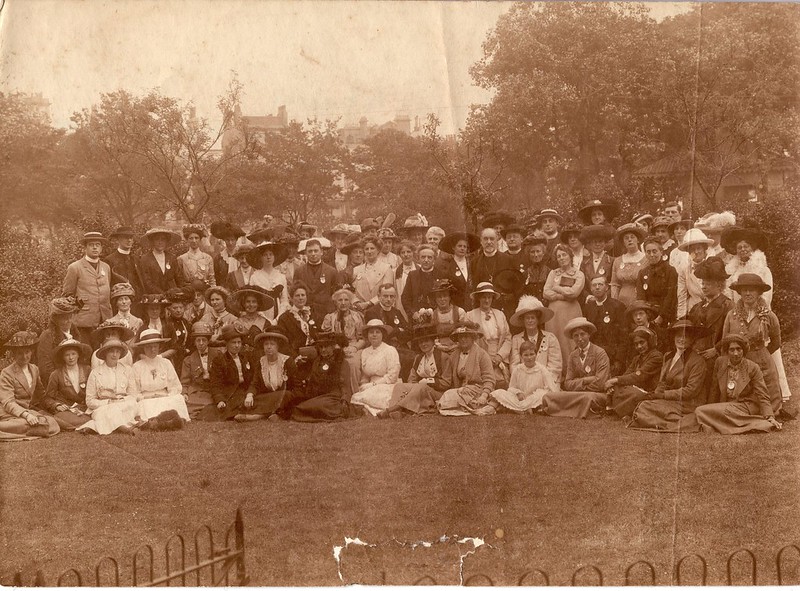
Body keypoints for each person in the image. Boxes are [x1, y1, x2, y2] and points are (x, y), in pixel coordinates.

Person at [721, 223, 791, 403]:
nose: (743, 250)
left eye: (746, 246)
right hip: (739, 312)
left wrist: (760, 315)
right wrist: (737, 313)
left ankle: (777, 392)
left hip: (760, 314)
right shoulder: (733, 270)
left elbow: (766, 295)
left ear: (752, 248)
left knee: (767, 355)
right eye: (739, 247)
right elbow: (730, 294)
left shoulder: (763, 269)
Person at [626, 319, 709, 432]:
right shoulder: (668, 356)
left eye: (686, 336)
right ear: (673, 337)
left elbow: (691, 390)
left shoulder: (698, 361)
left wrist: (663, 395)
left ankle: (680, 421)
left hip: (688, 403)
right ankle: (667, 420)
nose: (681, 339)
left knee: (646, 407)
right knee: (644, 404)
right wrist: (655, 394)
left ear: (692, 339)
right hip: (671, 401)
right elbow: (662, 382)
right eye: (678, 336)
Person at [693, 335, 782, 434]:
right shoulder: (720, 362)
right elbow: (714, 389)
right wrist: (710, 407)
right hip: (726, 405)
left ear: (743, 351)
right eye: (732, 350)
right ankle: (737, 424)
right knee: (702, 411)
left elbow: (763, 395)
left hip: (744, 406)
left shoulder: (753, 367)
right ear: (727, 351)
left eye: (739, 349)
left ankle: (724, 425)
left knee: (700, 411)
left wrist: (770, 416)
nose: (736, 353)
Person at [722, 274, 783, 413]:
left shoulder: (768, 316)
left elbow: (776, 341)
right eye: (744, 290)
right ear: (740, 292)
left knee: (766, 395)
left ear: (759, 292)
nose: (748, 293)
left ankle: (768, 412)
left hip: (762, 362)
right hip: (738, 360)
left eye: (752, 290)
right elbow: (725, 341)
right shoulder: (731, 315)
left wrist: (761, 351)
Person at [282, 330, 365, 422]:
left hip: (334, 397)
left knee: (320, 405)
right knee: (301, 406)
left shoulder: (341, 362)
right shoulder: (317, 362)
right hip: (319, 396)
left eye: (326, 347)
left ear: (333, 347)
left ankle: (333, 410)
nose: (323, 350)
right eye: (321, 347)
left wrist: (345, 400)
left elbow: (345, 385)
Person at [542, 317, 610, 419]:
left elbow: (600, 383)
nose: (579, 338)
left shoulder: (600, 353)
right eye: (576, 335)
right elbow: (568, 384)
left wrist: (577, 383)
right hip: (577, 394)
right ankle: (577, 409)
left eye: (582, 334)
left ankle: (567, 410)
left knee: (588, 397)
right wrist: (586, 380)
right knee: (548, 396)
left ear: (589, 334)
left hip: (597, 394)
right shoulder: (573, 355)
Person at [687, 256, 733, 403]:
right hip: (698, 352)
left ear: (720, 285)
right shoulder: (698, 307)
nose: (704, 286)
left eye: (708, 283)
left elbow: (733, 334)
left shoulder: (728, 306)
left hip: (718, 353)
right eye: (703, 283)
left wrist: (717, 349)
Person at [381, 323, 452, 418]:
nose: (423, 344)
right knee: (399, 386)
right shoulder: (418, 358)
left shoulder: (443, 357)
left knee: (421, 387)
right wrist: (413, 387)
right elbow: (412, 379)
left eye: (426, 341)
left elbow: (446, 383)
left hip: (438, 394)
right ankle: (396, 411)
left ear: (433, 341)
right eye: (420, 342)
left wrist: (428, 382)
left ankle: (392, 409)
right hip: (420, 390)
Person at [0, 331, 60, 440]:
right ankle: (25, 428)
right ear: (13, 354)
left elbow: (41, 395)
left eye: (27, 352)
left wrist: (55, 405)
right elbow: (8, 402)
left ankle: (24, 430)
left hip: (28, 411)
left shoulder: (34, 369)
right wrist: (26, 415)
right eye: (20, 353)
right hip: (8, 413)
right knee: (30, 423)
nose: (24, 356)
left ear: (32, 351)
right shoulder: (7, 373)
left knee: (53, 423)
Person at [128, 328, 190, 425]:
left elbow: (175, 386)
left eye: (155, 346)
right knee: (144, 405)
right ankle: (159, 421)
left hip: (165, 397)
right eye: (149, 347)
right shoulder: (137, 366)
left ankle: (168, 420)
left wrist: (168, 395)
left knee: (178, 398)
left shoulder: (166, 363)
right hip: (146, 399)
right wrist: (144, 397)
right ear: (143, 348)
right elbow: (133, 391)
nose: (153, 350)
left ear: (159, 347)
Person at [62, 231, 114, 343]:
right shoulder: (75, 267)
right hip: (84, 322)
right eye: (91, 245)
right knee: (86, 351)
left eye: (98, 244)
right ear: (85, 248)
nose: (95, 247)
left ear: (101, 248)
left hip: (104, 319)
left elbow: (106, 290)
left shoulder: (106, 267)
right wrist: (80, 306)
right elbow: (67, 295)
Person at [79, 339, 139, 435]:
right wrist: (108, 402)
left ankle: (94, 426)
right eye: (111, 351)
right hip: (103, 407)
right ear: (105, 353)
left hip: (124, 404)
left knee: (131, 405)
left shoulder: (127, 370)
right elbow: (89, 401)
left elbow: (133, 395)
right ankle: (125, 429)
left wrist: (122, 400)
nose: (114, 355)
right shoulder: (95, 373)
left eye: (117, 352)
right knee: (109, 411)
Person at [437, 322, 497, 416]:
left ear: (472, 338)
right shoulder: (453, 356)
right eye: (460, 337)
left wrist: (484, 395)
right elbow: (447, 380)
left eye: (466, 336)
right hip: (460, 390)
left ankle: (477, 405)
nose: (463, 339)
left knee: (453, 396)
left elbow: (489, 379)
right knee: (448, 394)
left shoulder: (482, 355)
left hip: (478, 391)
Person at [198, 323, 255, 421]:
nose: (237, 346)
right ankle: (247, 414)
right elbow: (215, 384)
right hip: (231, 393)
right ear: (227, 344)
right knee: (234, 404)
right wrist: (219, 400)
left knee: (262, 400)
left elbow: (254, 379)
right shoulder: (219, 360)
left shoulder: (246, 357)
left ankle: (252, 415)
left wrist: (250, 393)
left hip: (247, 391)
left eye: (239, 342)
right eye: (233, 342)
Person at [543, 243, 586, 369]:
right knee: (555, 340)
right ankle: (557, 372)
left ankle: (573, 371)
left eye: (564, 255)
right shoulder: (553, 273)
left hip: (571, 312)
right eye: (559, 256)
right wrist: (563, 294)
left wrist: (556, 288)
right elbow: (546, 292)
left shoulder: (578, 274)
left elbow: (574, 293)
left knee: (570, 341)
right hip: (554, 315)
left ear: (570, 256)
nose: (561, 258)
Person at [606, 327, 663, 418]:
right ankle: (620, 409)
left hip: (650, 392)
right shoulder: (637, 358)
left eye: (642, 342)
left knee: (634, 394)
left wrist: (615, 380)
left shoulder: (656, 356)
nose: (639, 346)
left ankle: (620, 410)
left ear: (649, 341)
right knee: (617, 387)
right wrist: (615, 383)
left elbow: (639, 376)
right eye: (636, 344)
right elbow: (627, 375)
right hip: (635, 388)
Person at [349, 319, 401, 416]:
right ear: (367, 335)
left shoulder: (390, 350)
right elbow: (365, 374)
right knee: (356, 396)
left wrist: (373, 385)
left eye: (377, 332)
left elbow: (392, 376)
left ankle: (380, 411)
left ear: (383, 335)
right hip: (370, 386)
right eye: (371, 332)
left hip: (387, 385)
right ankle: (375, 410)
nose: (374, 335)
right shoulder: (365, 352)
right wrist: (363, 385)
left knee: (369, 398)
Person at [491, 341, 559, 413]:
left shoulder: (542, 369)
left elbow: (551, 388)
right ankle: (523, 409)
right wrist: (518, 393)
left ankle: (519, 409)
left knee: (542, 394)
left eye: (532, 354)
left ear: (536, 355)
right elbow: (511, 388)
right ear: (521, 356)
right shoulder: (518, 369)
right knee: (499, 392)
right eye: (526, 355)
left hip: (534, 398)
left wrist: (538, 394)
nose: (529, 358)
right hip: (520, 399)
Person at [465, 282, 512, 388]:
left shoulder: (500, 314)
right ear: (478, 298)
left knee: (502, 384)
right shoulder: (470, 316)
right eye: (484, 297)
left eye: (489, 297)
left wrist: (500, 356)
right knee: (484, 384)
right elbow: (469, 341)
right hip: (479, 356)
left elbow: (508, 338)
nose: (487, 300)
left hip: (499, 356)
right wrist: (486, 358)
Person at [245, 328, 298, 421]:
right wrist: (249, 395)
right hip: (269, 396)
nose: (269, 347)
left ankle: (260, 415)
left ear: (278, 346)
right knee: (255, 398)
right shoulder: (261, 361)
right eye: (266, 344)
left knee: (286, 395)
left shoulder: (287, 361)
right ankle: (268, 414)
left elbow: (296, 385)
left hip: (284, 396)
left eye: (272, 344)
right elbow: (255, 383)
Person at [41, 339, 93, 431]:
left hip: (85, 407)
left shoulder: (87, 370)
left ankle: (86, 424)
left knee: (96, 415)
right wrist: (56, 405)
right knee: (68, 420)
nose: (71, 357)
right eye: (67, 355)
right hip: (67, 409)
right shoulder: (56, 374)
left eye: (73, 354)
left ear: (78, 355)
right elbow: (47, 398)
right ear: (62, 357)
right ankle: (83, 425)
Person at [508, 295, 561, 384]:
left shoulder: (550, 338)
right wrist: (524, 381)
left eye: (533, 317)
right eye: (527, 318)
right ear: (523, 320)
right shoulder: (516, 339)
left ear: (537, 319)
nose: (530, 321)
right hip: (524, 382)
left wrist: (544, 381)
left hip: (547, 382)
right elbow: (514, 364)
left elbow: (555, 365)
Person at [321, 285, 366, 391]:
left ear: (350, 302)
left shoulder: (357, 317)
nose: (343, 303)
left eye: (346, 300)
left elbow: (363, 339)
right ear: (335, 302)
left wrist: (354, 348)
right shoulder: (329, 318)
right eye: (340, 300)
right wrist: (337, 347)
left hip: (354, 347)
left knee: (353, 364)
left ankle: (355, 393)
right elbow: (326, 340)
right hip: (335, 348)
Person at [581, 276, 627, 374]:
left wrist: (619, 361)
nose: (597, 287)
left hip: (612, 355)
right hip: (592, 353)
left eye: (600, 284)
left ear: (607, 287)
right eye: (594, 285)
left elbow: (624, 338)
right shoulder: (588, 307)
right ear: (591, 289)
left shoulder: (617, 306)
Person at [293, 238, 341, 326]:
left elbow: (336, 294)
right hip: (305, 313)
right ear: (306, 253)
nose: (313, 254)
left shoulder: (331, 271)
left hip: (326, 313)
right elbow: (295, 292)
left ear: (321, 252)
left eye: (316, 251)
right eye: (310, 251)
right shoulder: (299, 271)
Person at [36, 296, 82, 383]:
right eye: (64, 318)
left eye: (70, 316)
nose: (68, 321)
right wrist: (60, 384)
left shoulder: (76, 334)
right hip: (57, 384)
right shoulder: (47, 336)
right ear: (56, 319)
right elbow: (45, 368)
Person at [180, 322, 221, 418]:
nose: (201, 343)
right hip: (198, 390)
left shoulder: (218, 355)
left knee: (218, 399)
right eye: (198, 340)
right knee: (187, 402)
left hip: (214, 389)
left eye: (204, 340)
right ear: (194, 342)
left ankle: (204, 409)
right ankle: (205, 408)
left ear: (208, 341)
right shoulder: (189, 360)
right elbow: (184, 381)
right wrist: (185, 393)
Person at [636, 237, 677, 327]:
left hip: (665, 314)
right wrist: (646, 317)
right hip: (648, 315)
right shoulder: (642, 273)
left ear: (661, 252)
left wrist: (661, 316)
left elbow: (670, 296)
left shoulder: (670, 270)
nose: (651, 255)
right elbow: (641, 297)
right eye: (648, 252)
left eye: (654, 251)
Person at [676, 228, 714, 318]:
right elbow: (682, 295)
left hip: (713, 309)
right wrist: (681, 317)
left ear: (704, 249)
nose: (696, 252)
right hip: (694, 310)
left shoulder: (713, 265)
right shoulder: (684, 269)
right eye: (692, 249)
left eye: (699, 248)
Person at [437, 231, 479, 310]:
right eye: (459, 246)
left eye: (465, 246)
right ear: (453, 248)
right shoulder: (447, 267)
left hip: (473, 306)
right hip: (456, 307)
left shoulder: (472, 264)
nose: (462, 248)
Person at [351, 236, 395, 311]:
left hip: (379, 309)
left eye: (372, 248)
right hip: (360, 309)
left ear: (378, 250)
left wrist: (369, 303)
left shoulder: (386, 268)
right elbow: (352, 290)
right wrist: (356, 302)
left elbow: (386, 292)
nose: (369, 251)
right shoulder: (356, 270)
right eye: (366, 249)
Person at [248, 241, 290, 319]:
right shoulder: (255, 277)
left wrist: (278, 318)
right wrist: (264, 318)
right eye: (265, 255)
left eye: (271, 254)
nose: (268, 257)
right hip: (261, 314)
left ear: (274, 257)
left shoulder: (281, 276)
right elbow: (253, 300)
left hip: (279, 314)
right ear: (261, 257)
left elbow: (284, 300)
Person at [104, 226, 144, 306]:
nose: (129, 240)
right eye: (126, 237)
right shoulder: (110, 260)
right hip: (119, 303)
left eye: (131, 238)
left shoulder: (136, 259)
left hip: (137, 302)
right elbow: (108, 284)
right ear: (118, 239)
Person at [610, 223, 647, 306]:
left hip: (640, 299)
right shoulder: (617, 261)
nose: (630, 240)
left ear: (638, 240)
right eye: (626, 238)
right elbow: (615, 284)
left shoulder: (646, 259)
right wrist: (614, 303)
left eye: (632, 237)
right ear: (623, 242)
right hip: (621, 300)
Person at [138, 228, 184, 294]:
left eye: (163, 239)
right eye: (157, 239)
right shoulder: (145, 259)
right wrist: (162, 294)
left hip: (172, 295)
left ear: (166, 241)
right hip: (154, 296)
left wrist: (179, 291)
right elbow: (147, 282)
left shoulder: (171, 257)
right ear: (152, 241)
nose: (160, 242)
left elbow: (178, 278)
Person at [276, 281, 315, 356]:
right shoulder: (284, 318)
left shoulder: (312, 314)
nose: (300, 298)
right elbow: (282, 343)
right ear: (291, 298)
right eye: (297, 295)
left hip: (313, 355)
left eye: (303, 295)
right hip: (295, 356)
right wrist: (295, 357)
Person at [401, 244, 442, 316]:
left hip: (437, 316)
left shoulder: (441, 275)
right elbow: (405, 298)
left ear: (434, 259)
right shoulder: (412, 275)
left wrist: (436, 312)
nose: (426, 260)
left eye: (429, 257)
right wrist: (413, 313)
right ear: (418, 259)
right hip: (417, 317)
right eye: (423, 257)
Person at [428, 279, 466, 354]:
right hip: (440, 349)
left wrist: (456, 345)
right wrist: (439, 346)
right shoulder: (433, 314)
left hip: (458, 348)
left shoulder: (459, 312)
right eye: (439, 296)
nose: (442, 299)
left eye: (445, 296)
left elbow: (464, 333)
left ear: (449, 297)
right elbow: (432, 336)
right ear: (435, 299)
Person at [579, 225, 615, 302]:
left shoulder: (612, 261)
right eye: (594, 242)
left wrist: (603, 297)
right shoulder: (584, 263)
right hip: (590, 302)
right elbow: (581, 284)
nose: (597, 244)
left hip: (608, 301)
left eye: (600, 241)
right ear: (590, 244)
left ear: (605, 243)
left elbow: (614, 283)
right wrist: (588, 296)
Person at [210, 221, 245, 287]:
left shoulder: (242, 256)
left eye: (232, 240)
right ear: (224, 240)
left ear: (236, 240)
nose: (230, 243)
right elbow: (217, 278)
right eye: (227, 240)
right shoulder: (219, 258)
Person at [520, 232, 550, 302]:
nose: (536, 255)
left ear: (543, 252)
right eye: (532, 252)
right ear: (529, 254)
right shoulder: (526, 274)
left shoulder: (549, 272)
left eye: (538, 251)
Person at [394, 239, 418, 318]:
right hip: (400, 304)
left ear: (413, 252)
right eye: (403, 252)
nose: (406, 254)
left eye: (408, 252)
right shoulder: (395, 272)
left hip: (416, 304)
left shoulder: (419, 269)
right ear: (399, 255)